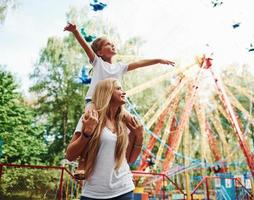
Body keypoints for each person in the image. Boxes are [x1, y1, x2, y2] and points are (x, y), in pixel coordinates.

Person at [64, 22, 174, 177]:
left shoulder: (120, 67)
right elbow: (86, 47)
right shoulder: (98, 62)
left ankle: (124, 158)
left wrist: (158, 60)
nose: (112, 45)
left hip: (114, 105)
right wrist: (75, 31)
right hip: (94, 102)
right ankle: (82, 164)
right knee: (89, 122)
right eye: (108, 44)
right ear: (100, 52)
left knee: (134, 123)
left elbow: (139, 63)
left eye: (113, 43)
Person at [66, 78, 143, 200]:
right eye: (118, 88)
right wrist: (86, 133)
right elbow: (70, 155)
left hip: (124, 190)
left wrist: (139, 136)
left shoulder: (124, 122)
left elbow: (130, 159)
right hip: (94, 193)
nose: (123, 92)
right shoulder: (89, 118)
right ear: (106, 93)